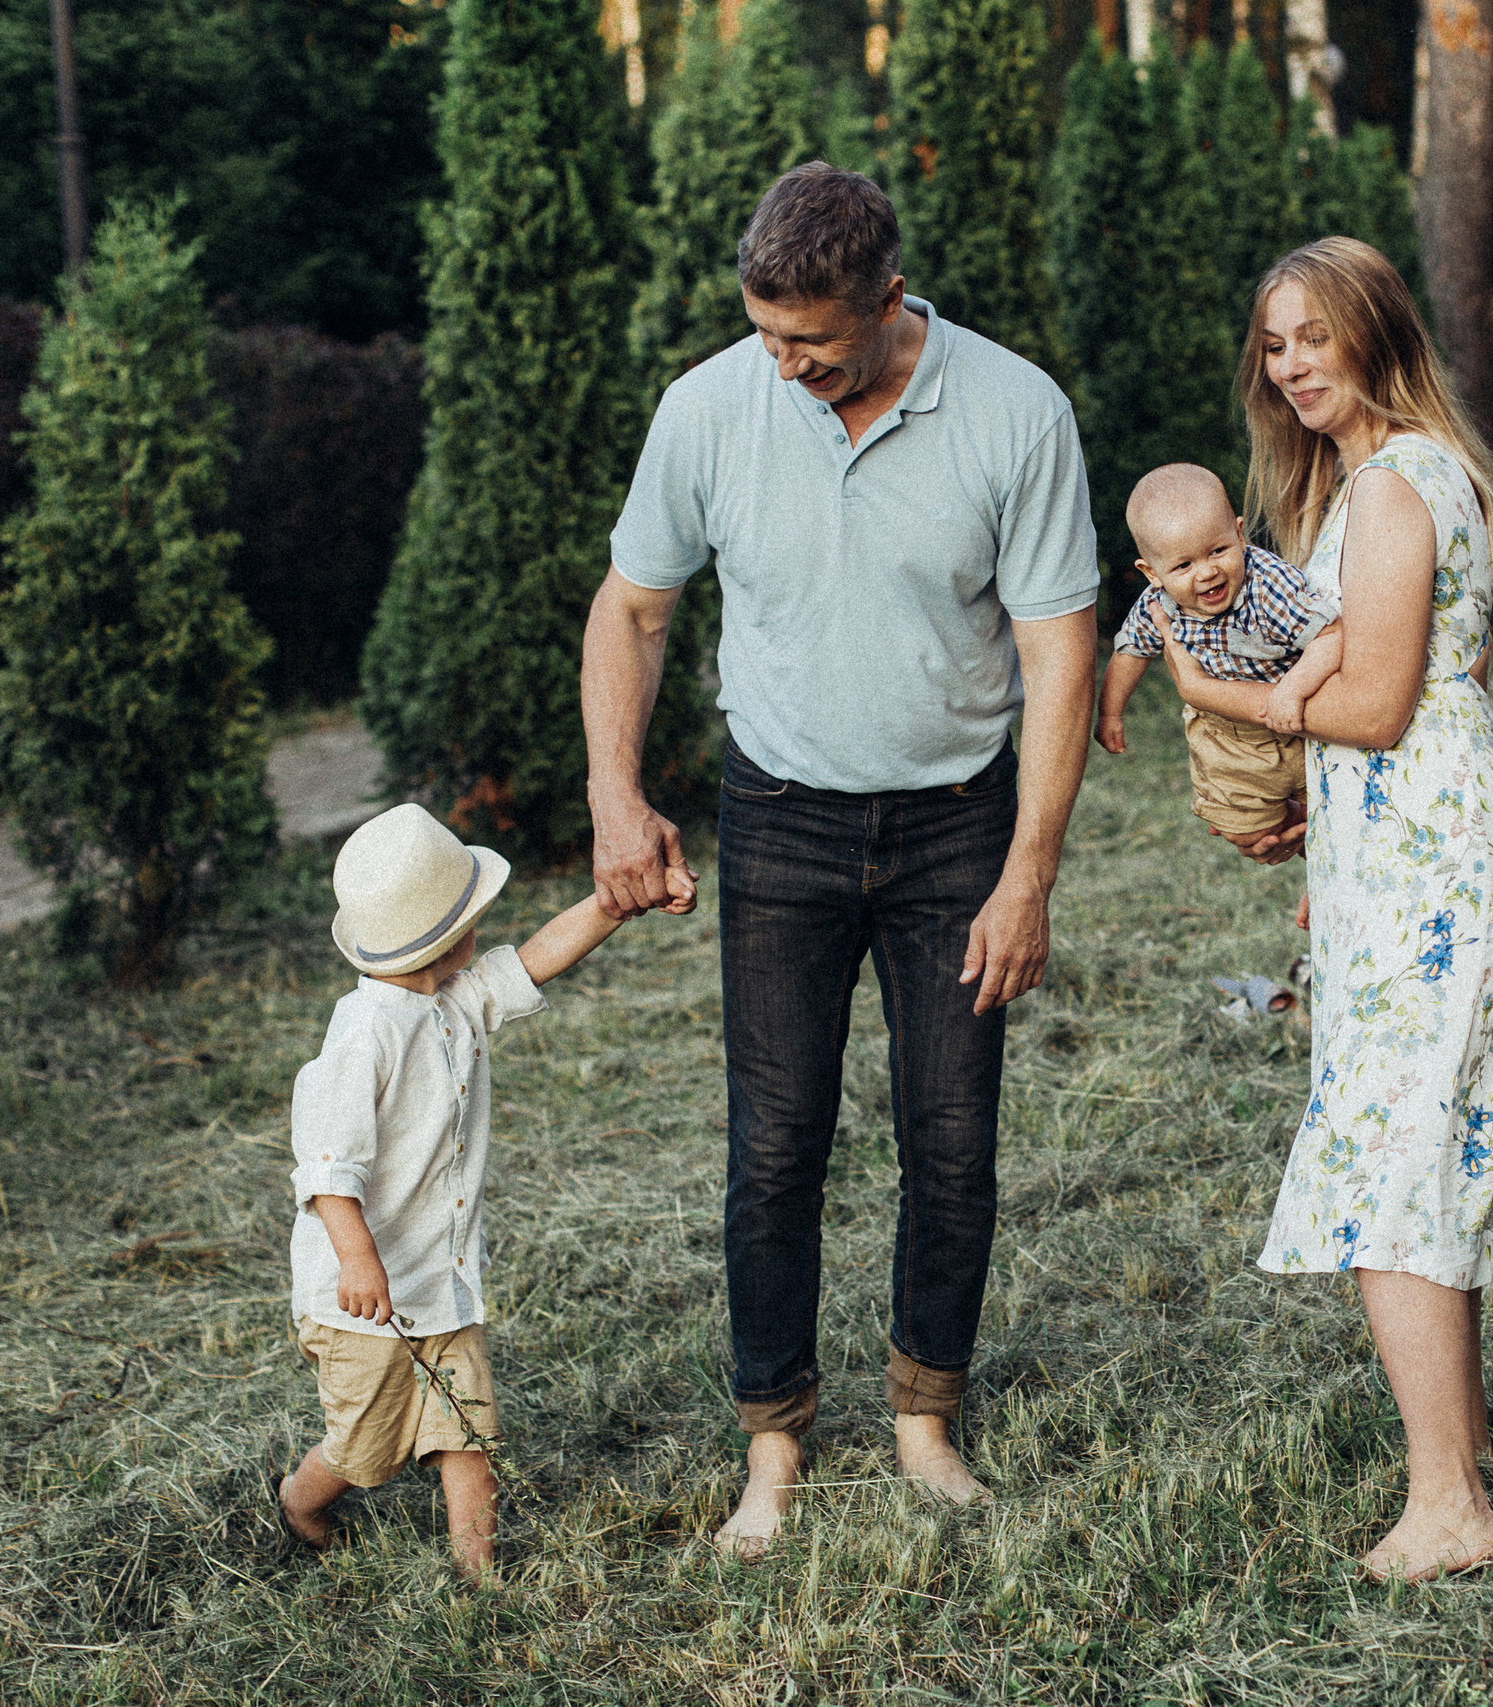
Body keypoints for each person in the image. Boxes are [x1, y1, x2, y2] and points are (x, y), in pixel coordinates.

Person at [582, 163, 1099, 1555]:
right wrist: (615, 794)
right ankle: (775, 1437)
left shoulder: (1015, 409)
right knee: (774, 1143)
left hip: (957, 830)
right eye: (766, 335)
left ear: (887, 296)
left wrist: (1028, 871)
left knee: (951, 1136)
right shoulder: (708, 407)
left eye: (811, 342)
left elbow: (1061, 650)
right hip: (783, 818)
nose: (786, 363)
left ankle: (926, 1414)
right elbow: (632, 610)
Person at [1158, 236, 1493, 1583]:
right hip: (1410, 856)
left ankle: (1448, 1501)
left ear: (1372, 334)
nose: (1290, 367)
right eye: (1273, 345)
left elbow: (1381, 705)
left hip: (1440, 857)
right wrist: (1322, 838)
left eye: (1313, 337)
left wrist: (1211, 694)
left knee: (1391, 1166)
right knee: (1416, 1158)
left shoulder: (1393, 488)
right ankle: (1456, 1460)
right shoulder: (1372, 481)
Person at [278, 803, 695, 1580]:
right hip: (360, 1302)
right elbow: (327, 1168)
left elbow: (538, 956)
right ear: (444, 934)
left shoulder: (454, 999)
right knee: (366, 1448)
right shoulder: (364, 1034)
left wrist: (620, 901)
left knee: (466, 1431)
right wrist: (359, 1260)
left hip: (442, 1283)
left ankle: (480, 1574)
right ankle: (301, 1499)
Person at [1094, 462, 1342, 838]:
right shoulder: (1157, 604)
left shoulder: (1268, 587)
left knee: (1339, 819)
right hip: (1228, 738)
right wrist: (1110, 713)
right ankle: (1292, 825)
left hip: (1303, 721)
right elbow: (1131, 651)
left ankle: (1315, 832)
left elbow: (1332, 634)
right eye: (1183, 564)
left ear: (1240, 535)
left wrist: (1293, 689)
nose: (1206, 571)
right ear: (1152, 573)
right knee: (1242, 830)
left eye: (1218, 550)